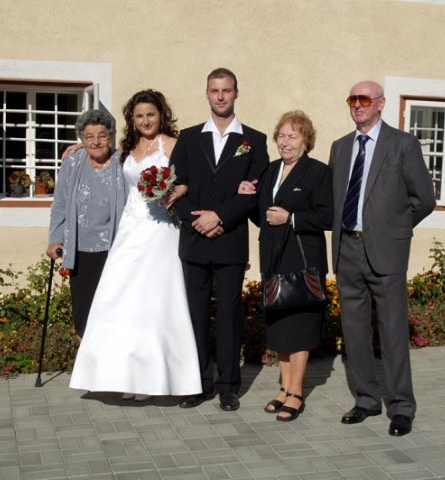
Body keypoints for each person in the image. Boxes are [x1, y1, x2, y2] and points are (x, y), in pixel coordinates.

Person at [68, 90, 201, 399]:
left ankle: (154, 378)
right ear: (132, 119)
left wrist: (178, 191)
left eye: (150, 114)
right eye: (139, 116)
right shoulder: (127, 148)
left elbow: (190, 179)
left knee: (153, 302)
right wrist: (79, 146)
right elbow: (100, 154)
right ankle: (125, 376)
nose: (145, 121)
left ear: (161, 115)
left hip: (160, 230)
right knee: (120, 299)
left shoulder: (175, 145)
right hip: (129, 229)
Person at [329, 81, 436, 436]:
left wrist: (393, 229)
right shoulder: (340, 147)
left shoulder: (403, 144)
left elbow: (424, 199)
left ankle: (402, 407)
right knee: (354, 330)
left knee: (392, 331)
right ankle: (366, 400)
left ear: (380, 104)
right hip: (347, 249)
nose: (357, 105)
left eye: (364, 99)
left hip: (386, 251)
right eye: (352, 99)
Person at [170, 68, 269, 411]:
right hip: (194, 240)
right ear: (207, 94)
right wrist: (197, 220)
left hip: (230, 240)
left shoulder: (253, 140)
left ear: (236, 92)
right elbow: (174, 188)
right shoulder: (188, 138)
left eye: (227, 90)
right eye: (215, 90)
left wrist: (221, 217)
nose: (221, 96)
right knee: (195, 316)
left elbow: (254, 193)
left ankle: (228, 387)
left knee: (228, 316)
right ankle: (198, 384)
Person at [239, 110, 333, 421]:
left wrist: (292, 218)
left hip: (302, 260)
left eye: (293, 136)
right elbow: (263, 216)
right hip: (273, 257)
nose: (285, 141)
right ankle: (283, 389)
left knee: (300, 326)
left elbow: (328, 216)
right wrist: (247, 197)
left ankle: (296, 392)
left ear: (306, 141)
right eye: (281, 135)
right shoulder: (270, 171)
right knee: (279, 327)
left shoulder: (318, 172)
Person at [47, 110, 126, 341]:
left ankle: (108, 361)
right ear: (82, 139)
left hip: (113, 249)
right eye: (89, 137)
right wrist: (55, 239)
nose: (96, 142)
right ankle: (85, 361)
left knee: (111, 312)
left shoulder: (123, 162)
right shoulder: (73, 161)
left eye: (102, 135)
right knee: (83, 315)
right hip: (79, 249)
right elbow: (60, 203)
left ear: (111, 136)